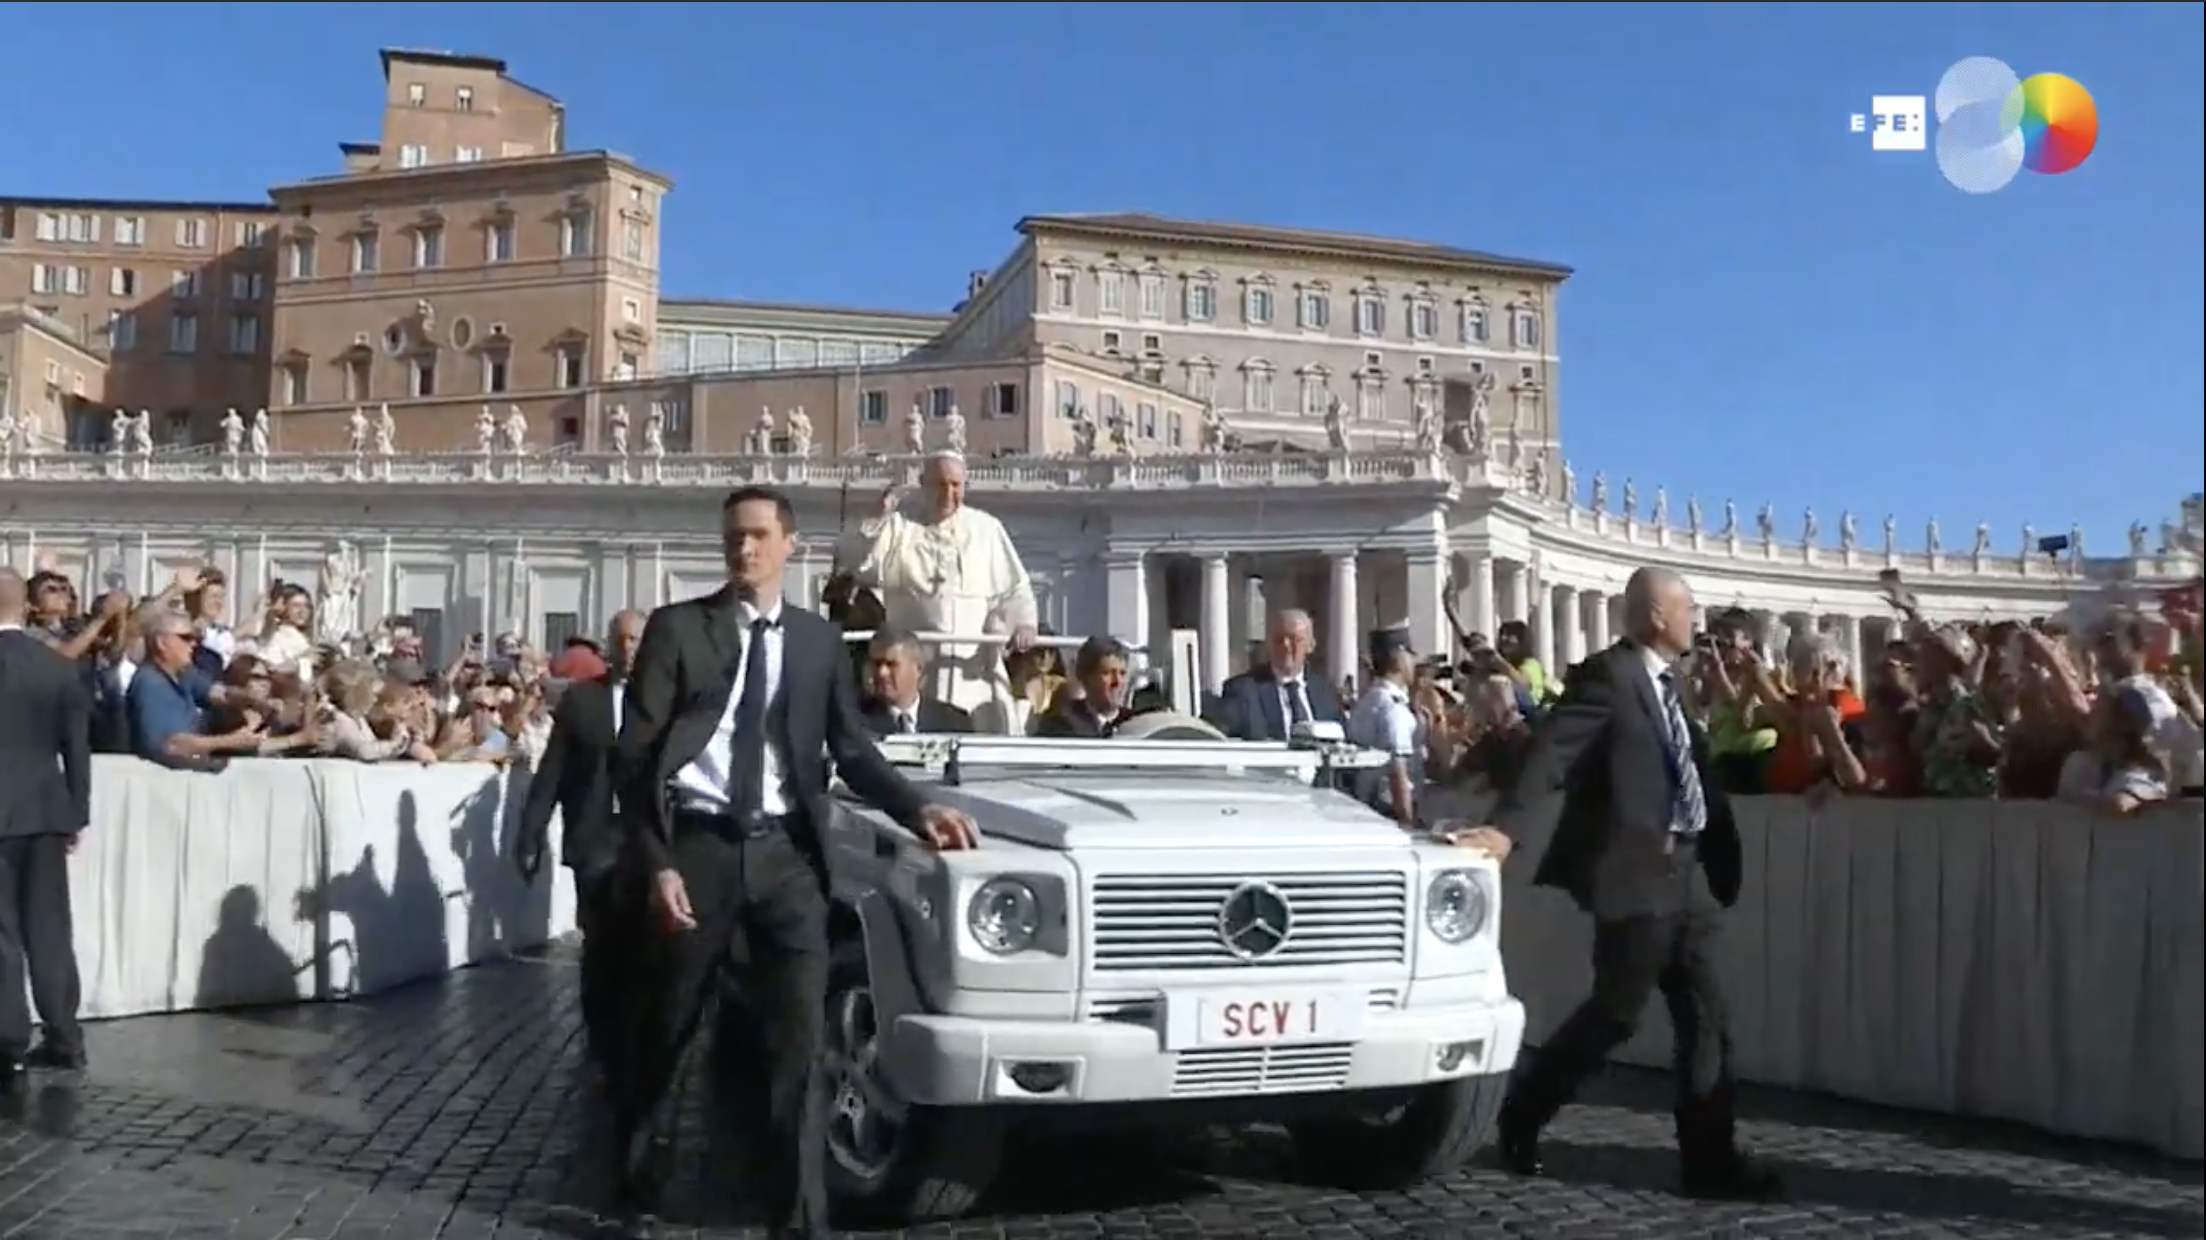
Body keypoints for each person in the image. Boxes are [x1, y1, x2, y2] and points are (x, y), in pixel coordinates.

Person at [612, 485, 980, 1239]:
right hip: (699, 851)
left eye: (755, 537)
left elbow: (850, 748)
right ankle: (635, 1179)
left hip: (788, 861)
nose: (742, 551)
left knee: (801, 1047)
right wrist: (658, 862)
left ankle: (800, 1219)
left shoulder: (817, 642)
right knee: (666, 1030)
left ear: (788, 545)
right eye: (732, 540)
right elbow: (635, 758)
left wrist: (918, 809)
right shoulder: (680, 630)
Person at [1447, 566, 1780, 1202]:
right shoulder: (1608, 676)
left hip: (1689, 876)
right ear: (1657, 615)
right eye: (1687, 609)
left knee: (1709, 1017)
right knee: (1616, 1013)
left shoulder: (1668, 684)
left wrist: (1718, 841)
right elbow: (1552, 754)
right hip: (1635, 875)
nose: (1696, 620)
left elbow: (1692, 771)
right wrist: (1506, 831)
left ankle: (1710, 1162)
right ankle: (1524, 1109)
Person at [513, 610, 648, 1122]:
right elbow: (552, 772)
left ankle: (635, 1032)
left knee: (642, 943)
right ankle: (603, 1035)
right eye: (622, 640)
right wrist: (530, 834)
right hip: (594, 840)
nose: (629, 648)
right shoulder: (582, 702)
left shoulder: (666, 700)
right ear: (609, 647)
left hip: (644, 841)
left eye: (637, 639)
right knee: (601, 943)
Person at [844, 452, 1039, 731]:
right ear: (923, 484)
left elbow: (1015, 587)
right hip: (917, 667)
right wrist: (878, 518)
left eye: (956, 485)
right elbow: (861, 566)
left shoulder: (986, 529)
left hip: (972, 670)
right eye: (940, 484)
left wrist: (1025, 623)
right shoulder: (899, 527)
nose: (949, 493)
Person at [0, 567, 93, 1080]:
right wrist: (76, 812)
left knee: (2, 933)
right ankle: (64, 1034)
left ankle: (8, 1038)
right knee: (50, 928)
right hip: (45, 810)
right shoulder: (58, 668)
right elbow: (77, 751)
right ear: (24, 607)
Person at [1204, 608, 1344, 740]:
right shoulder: (1243, 691)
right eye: (1278, 639)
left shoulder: (1325, 693)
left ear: (1310, 646)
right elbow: (1217, 735)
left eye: (1294, 639)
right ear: (1268, 645)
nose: (1286, 645)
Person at [1345, 628, 1424, 827]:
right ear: (1399, 657)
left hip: (1362, 808)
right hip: (1388, 812)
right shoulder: (1393, 708)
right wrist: (1407, 821)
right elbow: (1398, 772)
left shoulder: (1367, 701)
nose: (1414, 662)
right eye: (1410, 654)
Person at [858, 626, 975, 736]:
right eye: (877, 664)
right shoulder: (857, 721)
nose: (882, 673)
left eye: (891, 664)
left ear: (918, 669)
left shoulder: (954, 722)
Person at [1033, 635, 1135, 738]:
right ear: (1086, 678)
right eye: (1107, 673)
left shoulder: (1137, 724)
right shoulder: (1060, 725)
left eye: (1122, 673)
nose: (1117, 682)